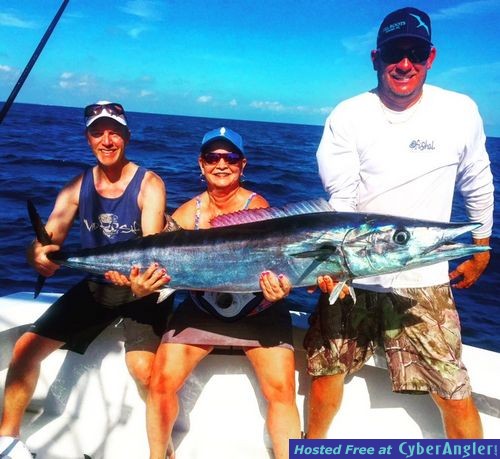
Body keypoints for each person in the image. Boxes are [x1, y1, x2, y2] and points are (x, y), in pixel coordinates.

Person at [304, 7, 494, 439]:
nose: (404, 63)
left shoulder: (460, 111)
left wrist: (481, 244)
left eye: (415, 52)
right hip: (353, 279)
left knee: (453, 388)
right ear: (376, 57)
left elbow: (478, 182)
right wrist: (333, 267)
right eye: (394, 52)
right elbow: (342, 203)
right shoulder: (349, 114)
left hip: (423, 279)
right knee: (325, 374)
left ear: (431, 57)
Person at [110, 127, 301, 459]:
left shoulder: (259, 207)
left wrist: (280, 288)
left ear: (243, 165)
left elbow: (278, 264)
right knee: (160, 382)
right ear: (201, 165)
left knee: (282, 390)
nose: (221, 164)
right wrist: (138, 285)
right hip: (202, 308)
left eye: (230, 158)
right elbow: (155, 264)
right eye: (213, 158)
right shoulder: (187, 213)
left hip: (259, 308)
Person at [0, 101, 170, 454]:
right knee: (23, 351)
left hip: (141, 291)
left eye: (114, 132)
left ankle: (163, 449)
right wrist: (38, 256)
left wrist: (140, 283)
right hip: (95, 287)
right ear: (88, 138)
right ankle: (8, 439)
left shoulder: (149, 184)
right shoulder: (76, 186)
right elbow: (48, 239)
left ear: (126, 136)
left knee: (144, 370)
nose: (106, 140)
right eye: (97, 132)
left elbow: (152, 250)